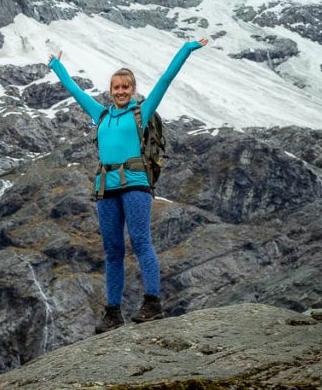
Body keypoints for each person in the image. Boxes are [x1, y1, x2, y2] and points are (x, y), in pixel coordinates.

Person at [47, 38, 208, 333]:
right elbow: (74, 91)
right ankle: (112, 312)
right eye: (116, 87)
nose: (121, 91)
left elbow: (166, 79)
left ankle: (153, 302)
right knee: (112, 251)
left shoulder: (141, 113)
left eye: (126, 87)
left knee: (141, 242)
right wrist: (56, 65)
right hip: (106, 189)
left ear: (132, 90)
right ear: (111, 91)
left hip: (136, 184)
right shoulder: (102, 114)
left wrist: (187, 48)